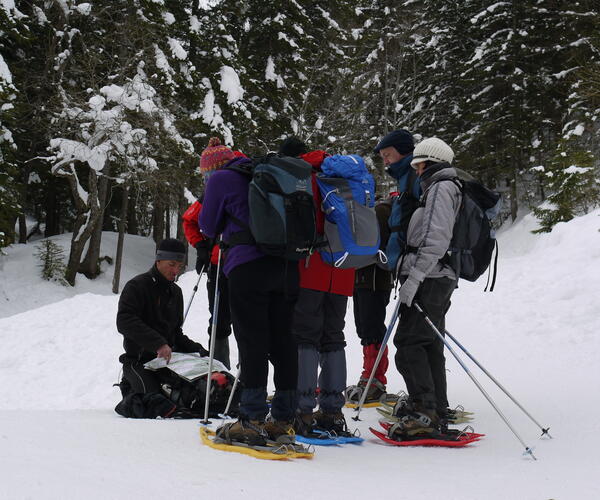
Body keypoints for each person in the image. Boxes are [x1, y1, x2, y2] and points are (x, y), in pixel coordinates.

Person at [199, 137, 299, 446]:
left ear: (211, 168)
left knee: (252, 340)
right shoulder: (264, 175)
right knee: (283, 340)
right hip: (286, 265)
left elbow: (207, 225)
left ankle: (252, 419)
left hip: (247, 267)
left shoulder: (221, 178)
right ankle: (283, 420)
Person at [280, 138, 356, 438]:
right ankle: (333, 411)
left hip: (312, 268)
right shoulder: (341, 177)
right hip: (344, 269)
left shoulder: (304, 179)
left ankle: (303, 410)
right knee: (334, 338)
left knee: (305, 338)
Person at [390, 137, 461, 438]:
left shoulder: (441, 188)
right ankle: (435, 408)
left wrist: (415, 278)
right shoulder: (440, 187)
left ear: (429, 163)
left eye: (418, 165)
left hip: (430, 278)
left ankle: (425, 413)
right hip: (436, 276)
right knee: (429, 344)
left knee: (408, 345)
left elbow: (435, 239)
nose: (416, 171)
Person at [115, 238, 210, 417]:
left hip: (168, 363)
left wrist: (197, 349)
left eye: (180, 266)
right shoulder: (137, 286)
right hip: (140, 361)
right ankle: (129, 386)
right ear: (158, 261)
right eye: (171, 264)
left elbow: (175, 333)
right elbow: (125, 321)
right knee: (155, 405)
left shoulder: (176, 292)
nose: (175, 271)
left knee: (195, 399)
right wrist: (158, 343)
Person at [181, 140, 243, 369]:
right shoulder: (214, 191)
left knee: (231, 319)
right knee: (221, 319)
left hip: (232, 261)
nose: (209, 180)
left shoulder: (237, 180)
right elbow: (190, 220)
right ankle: (221, 371)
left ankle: (230, 372)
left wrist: (202, 246)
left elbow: (193, 219)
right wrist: (200, 246)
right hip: (223, 263)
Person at [346, 192, 396, 403]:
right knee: (365, 328)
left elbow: (379, 247)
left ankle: (375, 379)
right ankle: (370, 376)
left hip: (374, 278)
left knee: (372, 328)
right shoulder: (376, 211)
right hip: (364, 278)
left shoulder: (381, 211)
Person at [373, 129, 421, 277]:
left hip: (417, 262)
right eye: (382, 157)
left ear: (402, 149)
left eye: (387, 155)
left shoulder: (417, 174)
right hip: (406, 260)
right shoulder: (405, 176)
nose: (385, 161)